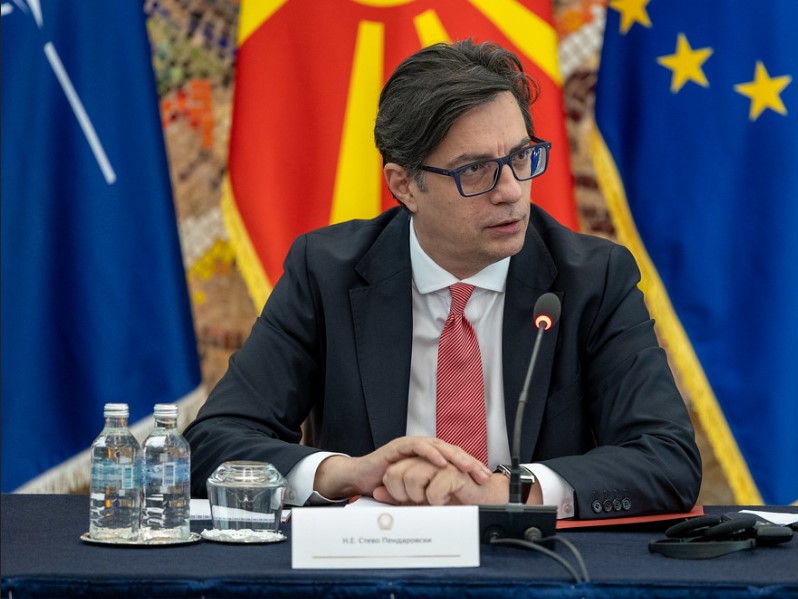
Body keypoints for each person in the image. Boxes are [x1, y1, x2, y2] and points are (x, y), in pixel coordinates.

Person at [185, 39, 701, 519]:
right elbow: (213, 442)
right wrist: (348, 473)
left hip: (537, 564)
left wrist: (505, 492)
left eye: (520, 157)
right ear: (405, 185)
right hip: (372, 560)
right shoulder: (326, 272)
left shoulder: (593, 278)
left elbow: (667, 458)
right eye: (474, 169)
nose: (510, 190)